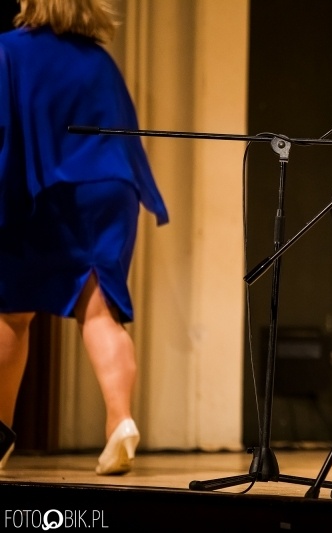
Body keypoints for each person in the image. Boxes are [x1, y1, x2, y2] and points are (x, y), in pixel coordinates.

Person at [0, 0, 168, 475]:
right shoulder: (100, 60)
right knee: (99, 311)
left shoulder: (9, 50)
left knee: (11, 312)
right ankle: (120, 421)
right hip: (111, 188)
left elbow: (3, 129)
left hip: (42, 186)